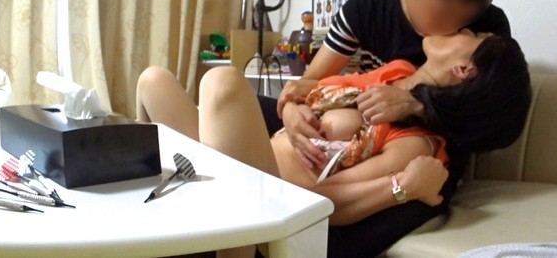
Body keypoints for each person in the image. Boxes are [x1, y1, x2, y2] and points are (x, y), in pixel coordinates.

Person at [266, 0, 532, 257]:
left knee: (355, 228)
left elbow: (481, 107)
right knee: (236, 100)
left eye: (467, 19)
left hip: (428, 145)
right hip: (354, 125)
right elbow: (310, 83)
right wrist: (290, 109)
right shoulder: (365, 12)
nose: (454, 26)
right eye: (444, 12)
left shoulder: (488, 28)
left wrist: (414, 104)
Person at [136, 29, 530, 257]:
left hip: (271, 203)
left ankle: (228, 248)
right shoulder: (396, 71)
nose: (462, 29)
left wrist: (403, 187)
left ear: (464, 70)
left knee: (221, 83)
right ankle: (146, 210)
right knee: (153, 81)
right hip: (240, 172)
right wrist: (292, 109)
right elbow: (310, 91)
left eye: (472, 35)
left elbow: (328, 204)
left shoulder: (416, 141)